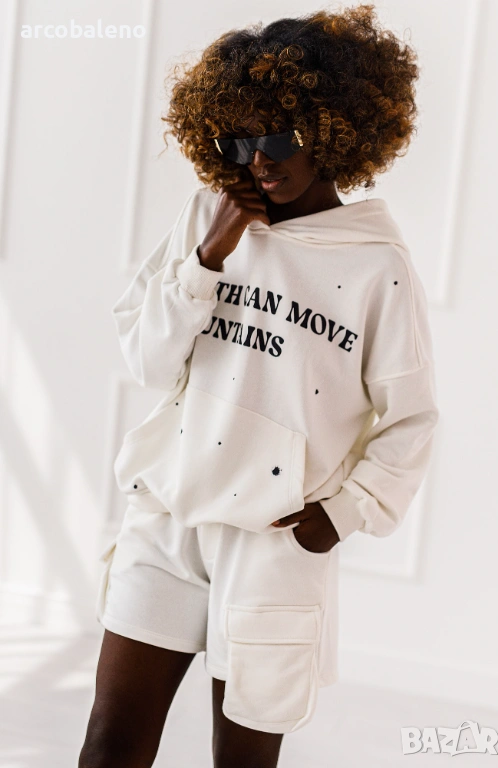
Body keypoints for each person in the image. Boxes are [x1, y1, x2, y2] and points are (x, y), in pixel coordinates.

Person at [79, 4, 439, 767]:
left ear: (333, 132)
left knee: (242, 761)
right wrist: (207, 259)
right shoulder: (206, 222)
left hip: (274, 544)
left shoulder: (376, 265)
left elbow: (410, 419)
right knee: (109, 746)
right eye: (234, 142)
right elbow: (146, 361)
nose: (257, 162)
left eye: (277, 138)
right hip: (166, 519)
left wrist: (342, 514)